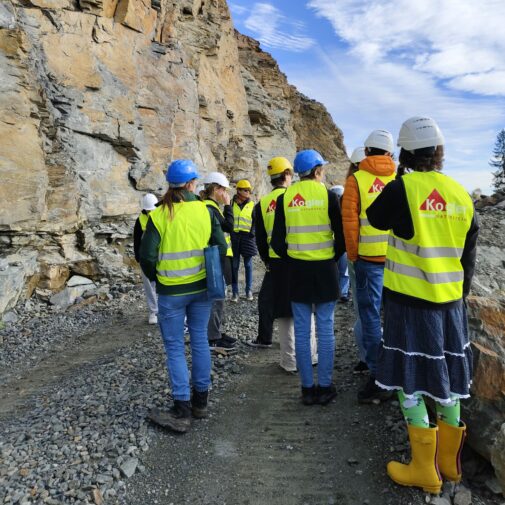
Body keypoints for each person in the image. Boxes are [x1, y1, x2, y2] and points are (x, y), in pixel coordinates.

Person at [367, 116, 478, 493]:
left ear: (405, 152)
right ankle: (450, 465)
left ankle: (423, 469)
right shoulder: (461, 193)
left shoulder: (405, 189)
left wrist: (400, 177)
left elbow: (375, 217)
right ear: (439, 153)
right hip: (450, 306)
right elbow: (468, 257)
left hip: (409, 304)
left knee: (408, 378)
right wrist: (456, 296)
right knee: (449, 378)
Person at [139, 159, 227, 433]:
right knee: (199, 339)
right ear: (191, 185)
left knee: (175, 346)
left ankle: (181, 407)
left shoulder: (158, 215)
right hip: (202, 289)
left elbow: (147, 257)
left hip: (171, 292)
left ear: (170, 185)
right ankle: (201, 401)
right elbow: (221, 247)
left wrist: (159, 278)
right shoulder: (205, 211)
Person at [271, 149, 346, 405]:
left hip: (297, 271)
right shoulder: (327, 195)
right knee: (325, 330)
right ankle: (325, 386)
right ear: (316, 172)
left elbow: (277, 242)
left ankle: (307, 389)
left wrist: (294, 256)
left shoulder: (286, 197)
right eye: (321, 169)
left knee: (302, 332)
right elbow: (343, 238)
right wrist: (330, 257)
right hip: (325, 270)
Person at [247, 157, 318, 373]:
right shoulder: (291, 198)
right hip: (298, 258)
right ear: (287, 174)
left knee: (285, 312)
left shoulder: (261, 205)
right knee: (307, 306)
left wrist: (268, 261)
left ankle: (289, 361)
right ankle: (312, 355)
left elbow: (259, 239)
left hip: (276, 263)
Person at [342, 130, 396, 403]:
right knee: (396, 315)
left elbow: (350, 222)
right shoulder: (398, 179)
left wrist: (353, 256)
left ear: (367, 152)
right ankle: (399, 369)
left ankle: (377, 372)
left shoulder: (356, 180)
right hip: (397, 262)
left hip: (367, 260)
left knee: (371, 316)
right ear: (389, 154)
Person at [201, 172, 237, 351]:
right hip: (214, 258)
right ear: (215, 189)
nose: (225, 194)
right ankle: (213, 337)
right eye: (223, 190)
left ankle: (218, 332)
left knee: (219, 298)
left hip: (218, 258)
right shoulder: (209, 208)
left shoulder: (211, 207)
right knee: (216, 299)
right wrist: (229, 206)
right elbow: (229, 226)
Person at [345, 147, 368, 373]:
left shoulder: (351, 187)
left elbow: (349, 230)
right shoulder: (390, 184)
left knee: (362, 310)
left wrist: (352, 258)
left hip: (360, 258)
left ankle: (365, 359)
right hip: (389, 259)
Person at [133, 193, 159, 325]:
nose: (150, 212)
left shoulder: (161, 215)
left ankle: (166, 309)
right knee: (149, 285)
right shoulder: (140, 220)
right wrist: (138, 256)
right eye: (148, 210)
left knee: (163, 283)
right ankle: (153, 311)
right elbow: (136, 239)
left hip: (161, 255)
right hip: (146, 257)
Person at [231, 179, 257, 302]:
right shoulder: (231, 204)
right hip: (235, 238)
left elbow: (255, 222)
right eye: (245, 190)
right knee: (234, 265)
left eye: (249, 190)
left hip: (248, 238)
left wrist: (252, 233)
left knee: (248, 265)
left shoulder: (252, 205)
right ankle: (235, 293)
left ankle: (248, 291)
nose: (248, 192)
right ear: (239, 191)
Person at [329, 185, 350, 303]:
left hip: (336, 244)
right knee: (343, 271)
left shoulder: (332, 208)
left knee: (341, 270)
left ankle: (342, 292)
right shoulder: (342, 209)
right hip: (339, 244)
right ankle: (342, 292)